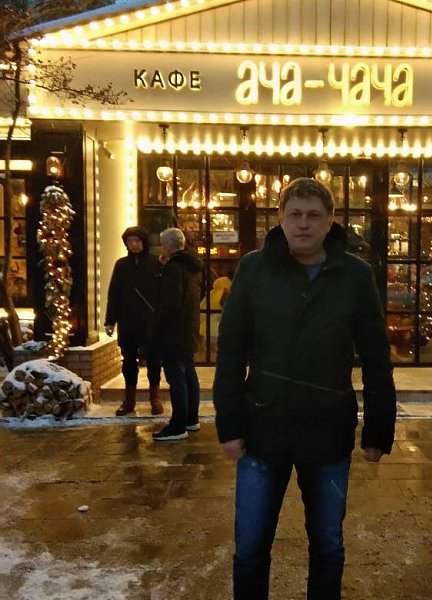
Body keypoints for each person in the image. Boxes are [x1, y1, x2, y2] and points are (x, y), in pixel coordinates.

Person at [213, 177, 397, 599]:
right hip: (263, 427)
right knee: (250, 548)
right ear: (280, 218)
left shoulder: (354, 275)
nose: (303, 224)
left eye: (314, 215)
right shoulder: (254, 269)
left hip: (327, 429)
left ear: (330, 222)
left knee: (328, 545)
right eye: (294, 214)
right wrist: (230, 423)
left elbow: (375, 355)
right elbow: (231, 351)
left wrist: (378, 428)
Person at [149, 228, 203, 442]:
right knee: (188, 373)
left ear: (169, 245)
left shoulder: (173, 269)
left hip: (173, 331)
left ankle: (178, 424)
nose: (161, 248)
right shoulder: (191, 267)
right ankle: (191, 418)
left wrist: (156, 327)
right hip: (188, 328)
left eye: (163, 244)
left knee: (176, 377)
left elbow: (170, 303)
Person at [105, 226, 163, 416]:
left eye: (137, 240)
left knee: (154, 360)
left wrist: (161, 317)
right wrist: (110, 320)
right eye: (130, 241)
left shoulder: (155, 263)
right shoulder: (121, 265)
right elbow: (114, 294)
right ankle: (129, 400)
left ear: (144, 242)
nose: (133, 244)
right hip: (128, 320)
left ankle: (155, 398)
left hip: (150, 321)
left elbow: (162, 293)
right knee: (129, 362)